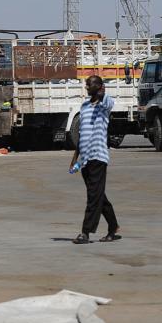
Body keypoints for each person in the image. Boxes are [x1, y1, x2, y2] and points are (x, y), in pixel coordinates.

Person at [70, 75, 121, 245]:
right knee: (98, 195)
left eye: (89, 84)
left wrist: (101, 92)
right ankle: (113, 227)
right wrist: (75, 158)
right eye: (86, 84)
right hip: (85, 159)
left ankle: (85, 232)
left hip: (98, 157)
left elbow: (108, 102)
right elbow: (81, 134)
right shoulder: (84, 106)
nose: (86, 86)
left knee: (93, 196)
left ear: (99, 86)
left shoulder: (104, 105)